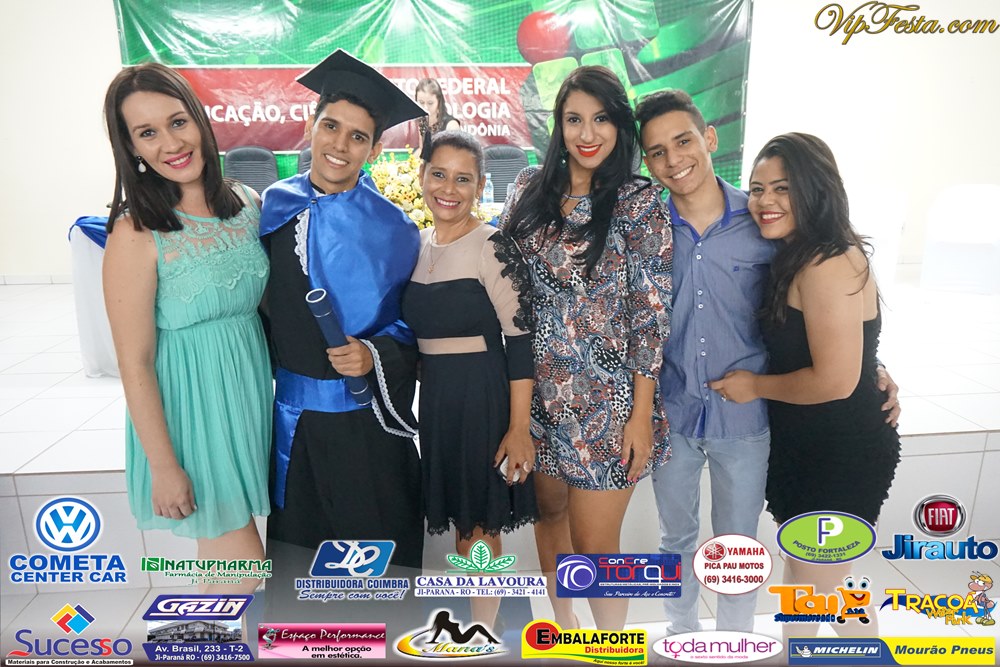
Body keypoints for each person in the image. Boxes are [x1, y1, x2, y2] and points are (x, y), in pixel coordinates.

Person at [635, 91, 902, 635]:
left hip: (767, 425)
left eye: (683, 141)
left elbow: (837, 349)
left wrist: (866, 368)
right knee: (689, 545)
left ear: (709, 139)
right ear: (647, 161)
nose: (673, 158)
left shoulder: (774, 233)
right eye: (657, 151)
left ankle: (736, 642)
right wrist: (866, 366)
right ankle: (682, 636)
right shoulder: (644, 227)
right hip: (679, 413)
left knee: (750, 554)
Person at [710, 132, 902, 642]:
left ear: (816, 190)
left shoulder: (826, 262)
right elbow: (844, 347)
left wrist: (754, 385)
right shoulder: (800, 252)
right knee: (807, 586)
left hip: (838, 454)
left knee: (830, 595)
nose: (765, 201)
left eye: (783, 188)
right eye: (757, 189)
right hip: (808, 446)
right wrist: (877, 369)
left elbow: (835, 380)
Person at [500, 66, 672, 631]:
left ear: (619, 126)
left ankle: (611, 648)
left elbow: (651, 315)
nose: (587, 133)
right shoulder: (528, 187)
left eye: (600, 119)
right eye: (574, 119)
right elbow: (502, 282)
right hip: (535, 398)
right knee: (549, 516)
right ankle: (565, 630)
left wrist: (640, 415)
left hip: (608, 407)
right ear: (559, 125)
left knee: (597, 545)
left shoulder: (638, 200)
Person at [102, 63, 271, 593]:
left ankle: (205, 635)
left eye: (177, 122)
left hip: (246, 399)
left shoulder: (246, 203)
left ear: (199, 119)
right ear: (131, 148)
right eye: (147, 132)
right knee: (242, 567)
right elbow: (134, 361)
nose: (171, 143)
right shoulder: (135, 233)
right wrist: (164, 466)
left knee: (222, 572)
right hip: (191, 415)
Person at [258, 49, 427, 579]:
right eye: (330, 126)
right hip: (295, 425)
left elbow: (413, 326)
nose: (339, 145)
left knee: (374, 566)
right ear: (311, 126)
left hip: (367, 426)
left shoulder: (395, 230)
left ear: (374, 149)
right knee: (301, 571)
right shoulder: (271, 208)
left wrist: (373, 354)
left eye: (358, 136)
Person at [401, 130, 537, 628]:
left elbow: (520, 341)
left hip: (482, 397)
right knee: (463, 522)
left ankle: (482, 633)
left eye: (463, 179)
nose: (449, 188)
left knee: (480, 525)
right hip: (438, 400)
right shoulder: (417, 245)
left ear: (480, 187)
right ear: (422, 176)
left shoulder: (492, 245)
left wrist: (518, 428)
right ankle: (482, 627)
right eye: (439, 174)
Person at [415, 77, 461, 142]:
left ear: (439, 102)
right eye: (421, 102)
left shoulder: (451, 125)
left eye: (430, 103)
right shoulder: (413, 124)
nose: (425, 107)